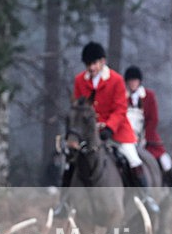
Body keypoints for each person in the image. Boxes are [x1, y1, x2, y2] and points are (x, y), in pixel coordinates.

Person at [54, 42, 153, 216]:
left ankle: (146, 197)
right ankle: (64, 203)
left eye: (94, 63)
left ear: (102, 62)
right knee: (70, 163)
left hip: (116, 131)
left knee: (132, 158)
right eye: (88, 64)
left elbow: (120, 108)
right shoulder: (79, 81)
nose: (91, 67)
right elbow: (78, 107)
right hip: (87, 133)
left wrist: (109, 127)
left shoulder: (115, 80)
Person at [124, 65, 172, 196]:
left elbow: (153, 119)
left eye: (135, 81)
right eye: (130, 81)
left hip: (147, 137)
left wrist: (144, 137)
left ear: (139, 82)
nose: (133, 83)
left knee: (165, 160)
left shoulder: (148, 96)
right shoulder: (122, 96)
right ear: (127, 82)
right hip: (125, 136)